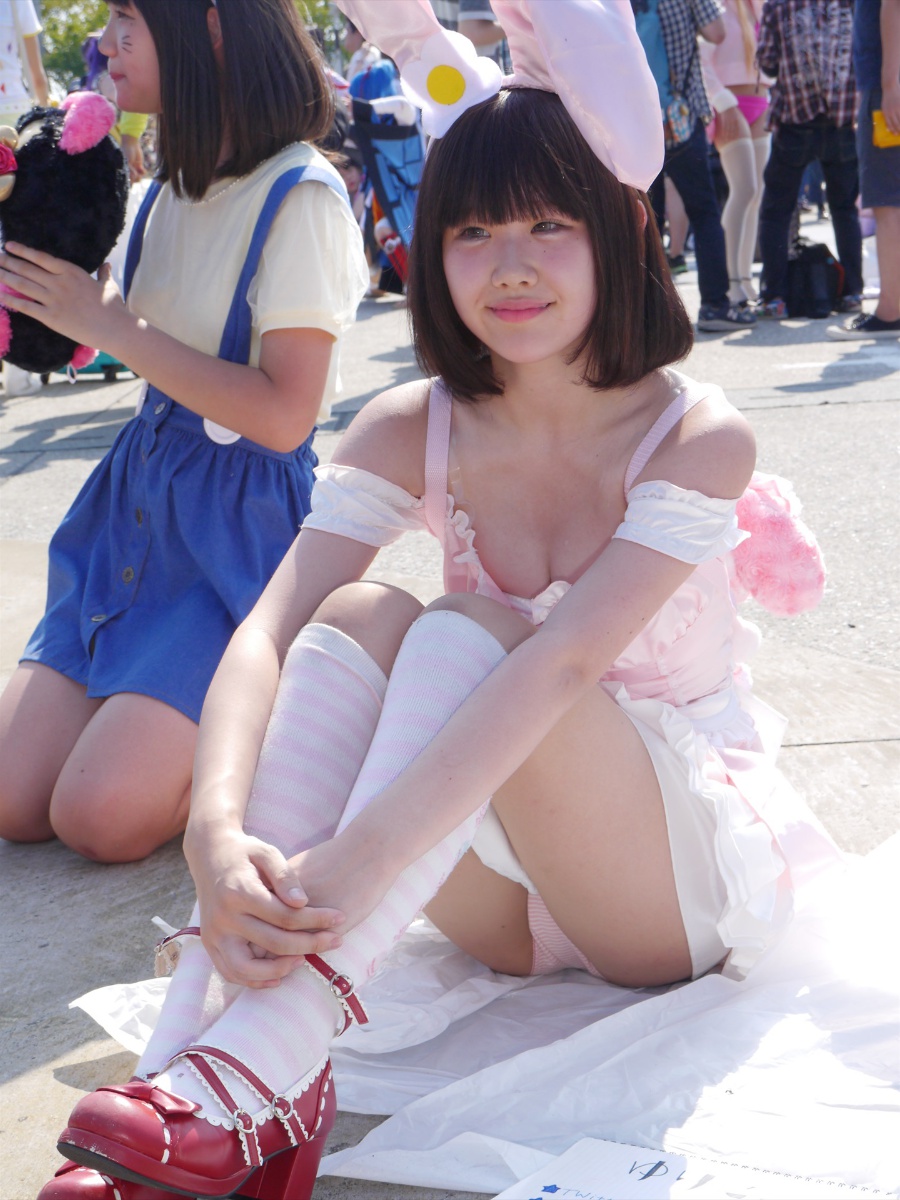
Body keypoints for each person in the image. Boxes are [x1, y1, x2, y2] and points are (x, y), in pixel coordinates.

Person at [35, 2, 842, 1197]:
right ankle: (186, 1090)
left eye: (549, 224)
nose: (510, 263)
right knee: (356, 616)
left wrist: (357, 861)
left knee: (473, 628)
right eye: (472, 231)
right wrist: (215, 836)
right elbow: (267, 630)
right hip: (493, 900)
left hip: (661, 893)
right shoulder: (413, 424)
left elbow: (563, 665)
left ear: (620, 229)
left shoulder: (692, 436)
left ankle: (247, 1077)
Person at [0, 0, 368, 865]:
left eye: (129, 19)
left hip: (233, 535)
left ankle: (283, 706)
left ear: (210, 28)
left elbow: (284, 416)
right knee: (14, 798)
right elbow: (110, 326)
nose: (106, 44)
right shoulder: (161, 189)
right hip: (135, 507)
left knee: (99, 817)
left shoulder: (300, 196)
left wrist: (113, 326)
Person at [634, 0, 757, 332]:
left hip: (637, 121)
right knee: (703, 212)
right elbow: (717, 33)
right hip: (681, 119)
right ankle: (716, 305)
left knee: (643, 217)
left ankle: (643, 315)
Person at [755, 0, 863, 318]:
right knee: (845, 209)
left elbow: (768, 62)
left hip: (794, 120)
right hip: (841, 120)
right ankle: (852, 292)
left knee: (776, 210)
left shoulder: (778, 5)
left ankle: (774, 297)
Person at [828, 0, 900, 339]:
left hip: (887, 87)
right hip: (885, 83)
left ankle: (891, 310)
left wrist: (890, 85)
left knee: (888, 199)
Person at [701, 0, 772, 306]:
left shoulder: (758, 7)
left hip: (762, 100)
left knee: (755, 195)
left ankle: (744, 279)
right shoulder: (714, 6)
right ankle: (730, 282)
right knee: (745, 190)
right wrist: (722, 101)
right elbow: (701, 62)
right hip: (729, 105)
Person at [0, 0, 49, 399]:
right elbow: (36, 72)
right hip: (12, 115)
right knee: (15, 241)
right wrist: (46, 119)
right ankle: (18, 368)